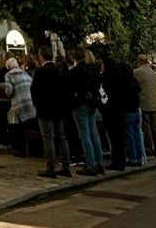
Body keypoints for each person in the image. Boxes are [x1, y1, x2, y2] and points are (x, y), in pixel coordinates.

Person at [31, 47, 72, 179]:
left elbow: (34, 90)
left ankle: (51, 167)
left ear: (41, 56)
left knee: (48, 137)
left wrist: (37, 104)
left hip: (45, 109)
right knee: (61, 136)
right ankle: (66, 166)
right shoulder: (58, 71)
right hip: (59, 108)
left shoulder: (40, 71)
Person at [66, 48, 105, 176]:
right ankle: (99, 163)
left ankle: (90, 164)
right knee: (94, 135)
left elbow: (69, 89)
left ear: (74, 58)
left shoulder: (75, 72)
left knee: (85, 136)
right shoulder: (92, 70)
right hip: (91, 104)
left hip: (80, 105)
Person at [100, 57, 139, 171]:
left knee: (115, 138)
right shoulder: (120, 79)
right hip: (119, 111)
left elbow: (104, 97)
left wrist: (102, 106)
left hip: (110, 112)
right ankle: (120, 160)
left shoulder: (107, 80)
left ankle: (117, 161)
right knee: (120, 139)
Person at [4, 56, 36, 157]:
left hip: (19, 104)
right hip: (30, 103)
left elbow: (9, 91)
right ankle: (34, 150)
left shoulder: (9, 75)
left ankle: (22, 150)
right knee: (31, 127)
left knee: (17, 127)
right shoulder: (25, 73)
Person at [134, 54, 156, 158]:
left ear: (139, 61)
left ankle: (149, 149)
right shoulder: (153, 72)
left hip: (143, 102)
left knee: (146, 127)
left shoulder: (137, 72)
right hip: (153, 102)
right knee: (155, 127)